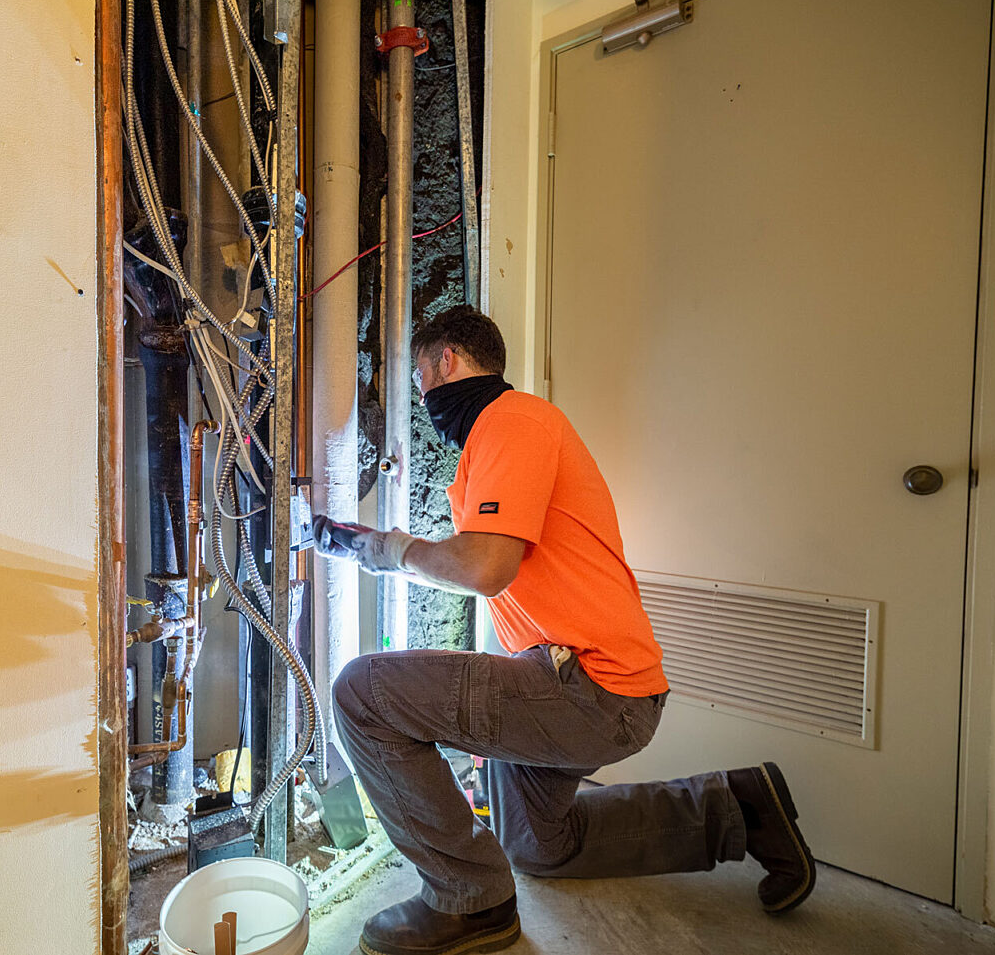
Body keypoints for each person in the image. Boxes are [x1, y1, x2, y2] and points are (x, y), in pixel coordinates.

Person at [313, 306, 815, 955]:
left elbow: (486, 568)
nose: (425, 397)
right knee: (540, 845)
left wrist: (387, 549)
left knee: (362, 691)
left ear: (445, 362)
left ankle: (468, 901)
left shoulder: (512, 421)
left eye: (419, 379)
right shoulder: (498, 443)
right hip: (593, 682)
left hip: (593, 686)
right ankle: (740, 806)